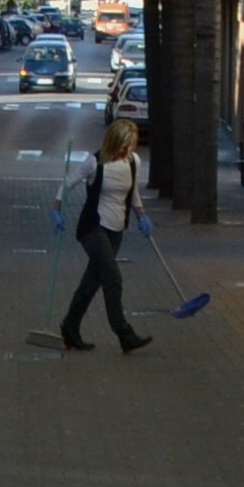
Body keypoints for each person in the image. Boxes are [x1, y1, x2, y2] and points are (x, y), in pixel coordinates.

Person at [58, 119, 151, 355]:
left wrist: (141, 215)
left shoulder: (133, 162)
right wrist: (56, 208)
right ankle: (124, 333)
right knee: (113, 279)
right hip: (93, 228)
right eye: (126, 145)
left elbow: (134, 192)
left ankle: (70, 326)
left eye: (131, 145)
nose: (128, 150)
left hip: (116, 229)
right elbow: (68, 183)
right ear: (116, 141)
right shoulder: (95, 162)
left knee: (92, 282)